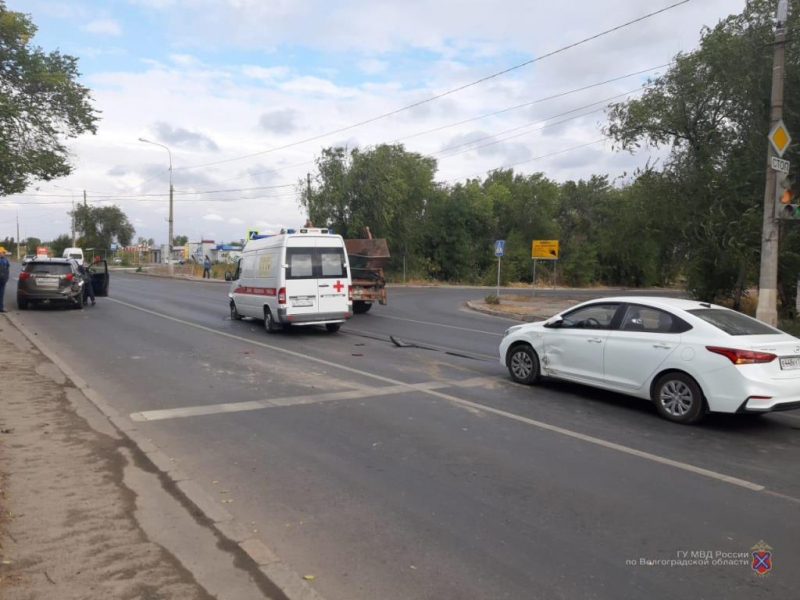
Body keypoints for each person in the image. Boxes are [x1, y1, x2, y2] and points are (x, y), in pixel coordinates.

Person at [0, 247, 9, 313]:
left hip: (3, 280)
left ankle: (1, 308)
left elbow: (7, 268)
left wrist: (6, 277)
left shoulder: (5, 260)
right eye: (3, 252)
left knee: (1, 294)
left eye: (4, 253)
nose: (4, 254)